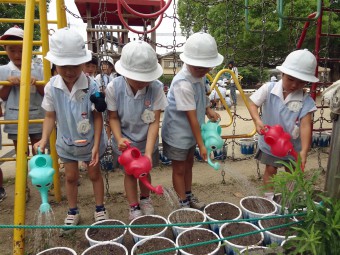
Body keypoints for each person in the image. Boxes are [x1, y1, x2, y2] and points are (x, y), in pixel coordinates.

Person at [33, 27, 109, 233]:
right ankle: (73, 211)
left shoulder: (91, 86)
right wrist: (43, 139)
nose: (69, 71)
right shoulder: (51, 87)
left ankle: (100, 208)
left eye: (75, 65)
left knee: (94, 173)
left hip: (90, 140)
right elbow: (50, 116)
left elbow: (97, 117)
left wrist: (96, 145)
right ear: (55, 64)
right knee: (70, 177)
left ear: (83, 63)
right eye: (63, 66)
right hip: (66, 140)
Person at [106, 40, 167, 220]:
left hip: (146, 139)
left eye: (145, 78)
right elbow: (113, 117)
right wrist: (118, 138)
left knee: (145, 169)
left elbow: (154, 121)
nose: (142, 82)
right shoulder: (114, 87)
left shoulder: (155, 88)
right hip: (125, 142)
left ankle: (145, 198)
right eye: (137, 77)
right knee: (130, 174)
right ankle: (133, 205)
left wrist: (148, 153)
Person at [161, 32, 223, 209]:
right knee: (179, 168)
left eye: (207, 67)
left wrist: (208, 109)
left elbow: (201, 97)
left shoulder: (200, 75)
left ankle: (188, 195)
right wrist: (202, 145)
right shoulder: (183, 83)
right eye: (199, 67)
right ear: (187, 61)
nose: (203, 71)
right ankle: (182, 203)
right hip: (178, 134)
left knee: (189, 164)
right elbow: (191, 118)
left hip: (191, 133)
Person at [248, 49, 318, 199]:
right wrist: (257, 120)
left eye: (301, 81)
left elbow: (306, 125)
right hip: (271, 142)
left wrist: (304, 150)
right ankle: (269, 198)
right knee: (271, 169)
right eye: (291, 79)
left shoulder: (305, 100)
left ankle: (290, 198)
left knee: (292, 172)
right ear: (282, 74)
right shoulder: (269, 89)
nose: (294, 85)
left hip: (293, 146)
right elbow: (253, 103)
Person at [0, 26, 45, 202]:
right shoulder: (4, 70)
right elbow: (2, 95)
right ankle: (23, 186)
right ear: (5, 49)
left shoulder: (38, 67)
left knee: (39, 150)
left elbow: (44, 93)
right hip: (15, 116)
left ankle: (42, 183)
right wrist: (9, 83)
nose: (17, 55)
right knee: (21, 152)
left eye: (21, 50)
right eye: (13, 50)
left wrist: (37, 82)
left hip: (36, 115)